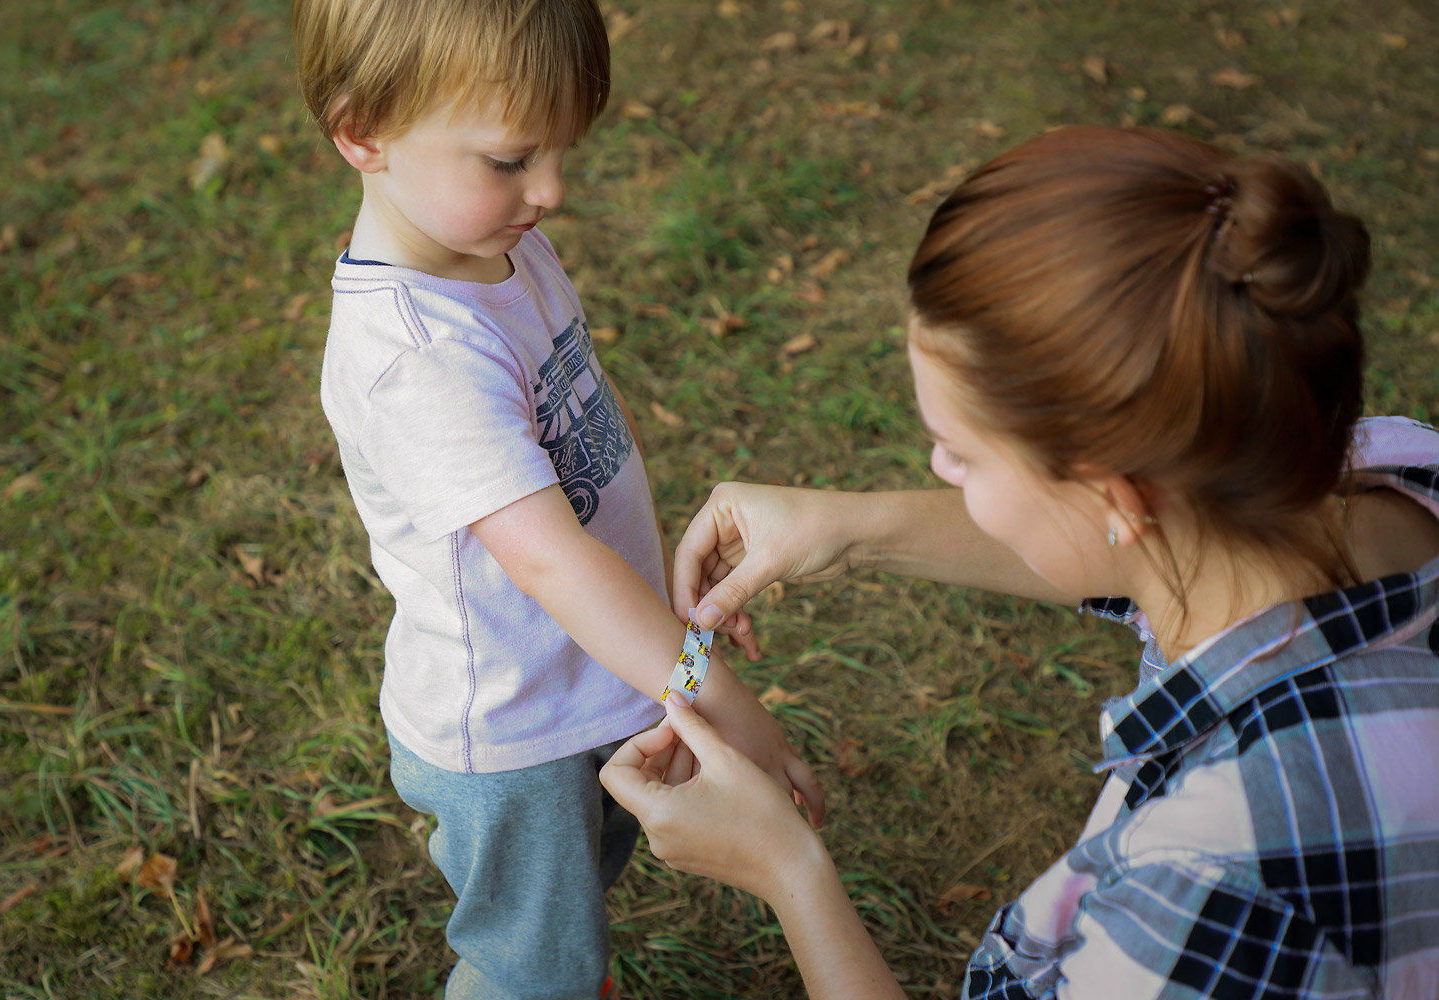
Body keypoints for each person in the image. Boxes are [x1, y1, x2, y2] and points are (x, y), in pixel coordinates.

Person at [602, 125, 1439, 998]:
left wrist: (788, 870)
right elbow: (1142, 550)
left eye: (959, 453)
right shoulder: (1380, 476)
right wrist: (852, 528)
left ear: (1117, 495)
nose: (938, 470)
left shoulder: (1214, 882)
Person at [291, 1, 824, 996]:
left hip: (588, 671)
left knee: (583, 895)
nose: (552, 190)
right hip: (510, 731)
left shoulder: (493, 244)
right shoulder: (419, 358)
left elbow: (579, 413)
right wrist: (720, 698)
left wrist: (655, 601)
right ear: (363, 131)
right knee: (533, 964)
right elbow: (547, 558)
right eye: (510, 158)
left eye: (563, 150)